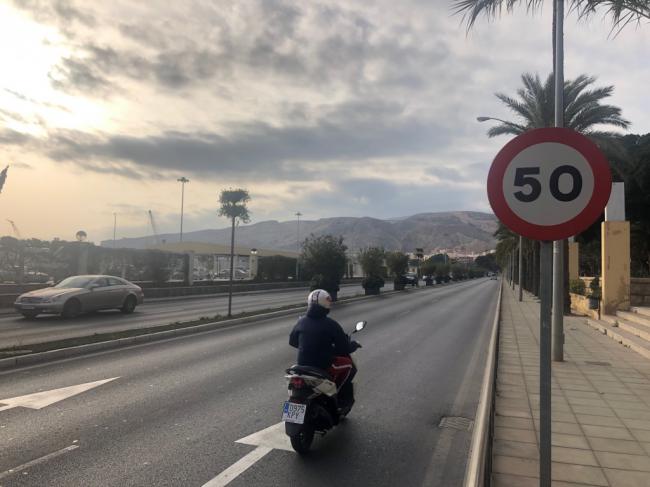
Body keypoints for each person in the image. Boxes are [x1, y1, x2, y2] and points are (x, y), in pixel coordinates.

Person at [289, 289, 361, 409]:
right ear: (327, 304)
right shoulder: (330, 324)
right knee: (349, 366)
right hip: (323, 364)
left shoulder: (301, 321)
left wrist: (308, 346)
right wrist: (354, 345)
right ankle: (336, 395)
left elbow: (292, 341)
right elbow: (343, 348)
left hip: (302, 365)